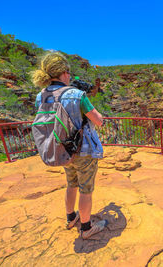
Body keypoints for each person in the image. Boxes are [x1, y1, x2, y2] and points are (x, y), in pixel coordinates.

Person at [31, 52, 107, 239]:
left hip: (61, 150)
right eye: (68, 72)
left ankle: (71, 217)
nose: (70, 76)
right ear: (64, 72)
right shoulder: (77, 95)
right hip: (83, 151)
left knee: (71, 184)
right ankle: (87, 228)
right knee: (85, 190)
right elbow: (98, 121)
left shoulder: (41, 96)